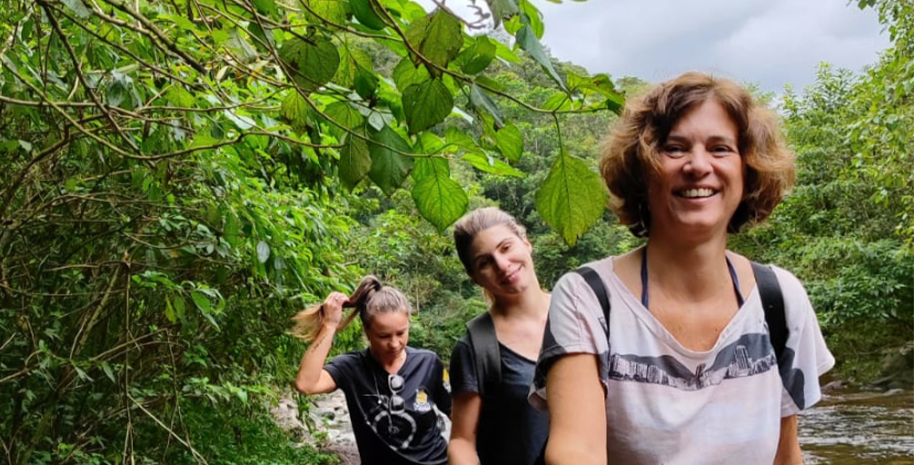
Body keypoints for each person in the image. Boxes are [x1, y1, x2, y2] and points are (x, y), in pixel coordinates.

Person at [530, 72, 835, 464]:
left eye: (720, 148)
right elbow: (576, 451)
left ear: (748, 169)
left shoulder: (780, 299)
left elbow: (785, 454)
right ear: (641, 170)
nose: (697, 165)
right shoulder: (587, 296)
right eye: (674, 149)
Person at [294, 275, 452, 465]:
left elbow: (459, 416)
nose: (394, 344)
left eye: (401, 333)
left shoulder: (428, 362)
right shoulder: (352, 368)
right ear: (367, 331)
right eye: (384, 336)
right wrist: (329, 324)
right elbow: (306, 384)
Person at [446, 207, 551, 465]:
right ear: (474, 277)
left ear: (526, 242)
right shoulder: (476, 347)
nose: (502, 266)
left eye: (505, 248)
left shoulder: (581, 313)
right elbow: (462, 441)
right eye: (485, 262)